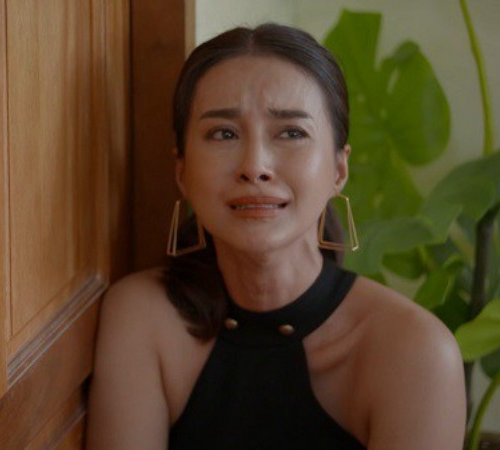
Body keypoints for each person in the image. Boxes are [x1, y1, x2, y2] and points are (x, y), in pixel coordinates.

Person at [87, 23, 466, 449]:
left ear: (339, 169)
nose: (255, 166)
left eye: (291, 133)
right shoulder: (142, 317)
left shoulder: (414, 352)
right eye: (224, 133)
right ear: (182, 171)